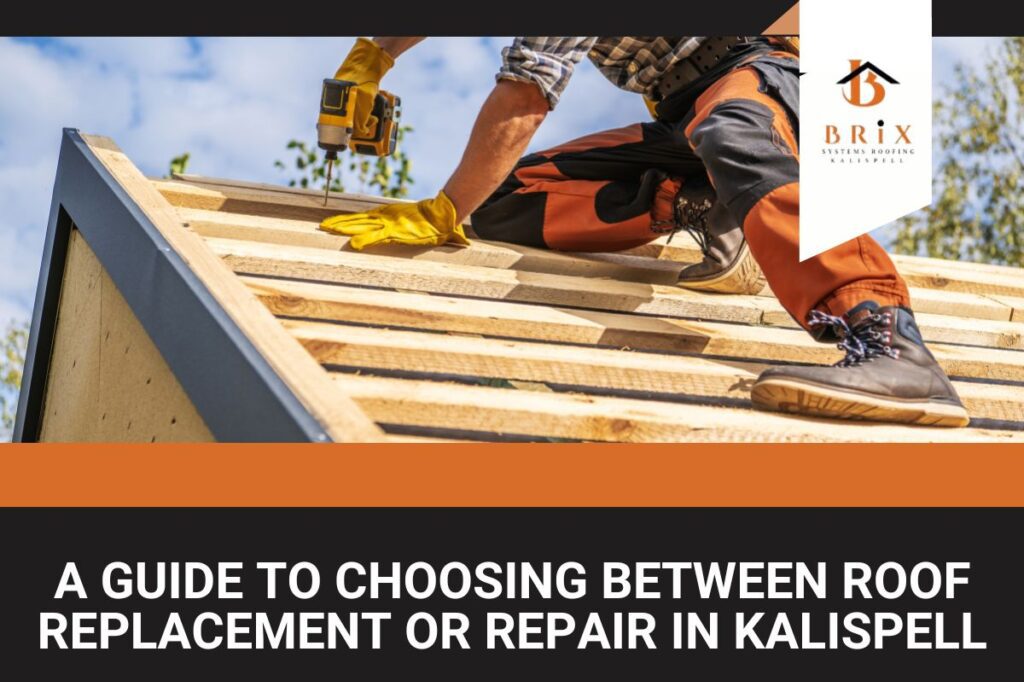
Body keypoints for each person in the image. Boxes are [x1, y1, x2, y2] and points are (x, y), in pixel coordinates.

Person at [320, 36, 969, 428]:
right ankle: (706, 204)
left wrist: (441, 211)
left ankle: (887, 340)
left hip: (786, 81)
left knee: (733, 131)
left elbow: (526, 95)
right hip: (695, 110)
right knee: (509, 200)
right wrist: (372, 55)